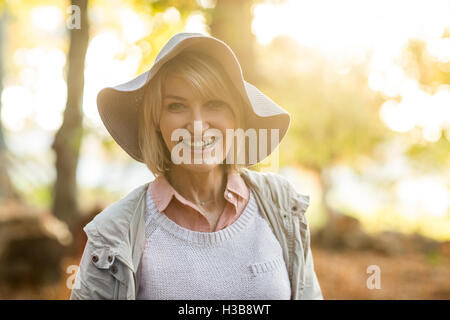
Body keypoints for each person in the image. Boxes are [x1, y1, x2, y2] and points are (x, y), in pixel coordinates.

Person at [70, 32, 323, 300]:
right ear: (156, 120)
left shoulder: (281, 205)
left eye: (214, 104)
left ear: (236, 118)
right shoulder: (113, 233)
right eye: (177, 106)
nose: (198, 126)